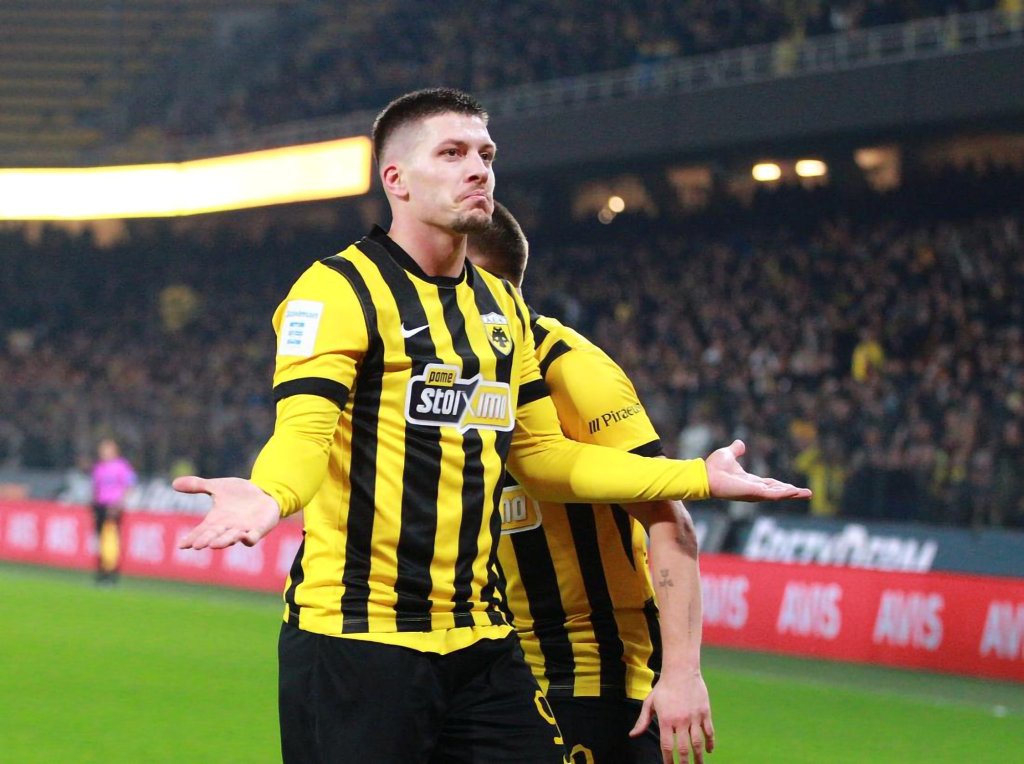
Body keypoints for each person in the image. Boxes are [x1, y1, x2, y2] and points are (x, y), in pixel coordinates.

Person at [173, 88, 809, 763]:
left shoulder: (501, 307)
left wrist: (694, 476)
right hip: (360, 636)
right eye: (452, 154)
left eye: (485, 154)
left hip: (480, 640)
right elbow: (303, 435)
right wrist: (269, 494)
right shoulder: (336, 291)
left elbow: (544, 458)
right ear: (397, 180)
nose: (477, 169)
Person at [468, 203, 713, 764]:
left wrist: (682, 674)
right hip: (488, 664)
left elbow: (668, 520)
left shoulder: (574, 370)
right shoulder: (452, 367)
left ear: (487, 281)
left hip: (588, 674)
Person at [90, 438, 136, 584]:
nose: (104, 452)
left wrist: (119, 503)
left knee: (111, 539)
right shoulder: (99, 467)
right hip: (100, 506)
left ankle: (111, 572)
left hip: (113, 507)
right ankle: (101, 570)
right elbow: (95, 487)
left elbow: (130, 485)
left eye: (107, 449)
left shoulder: (122, 466)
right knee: (100, 540)